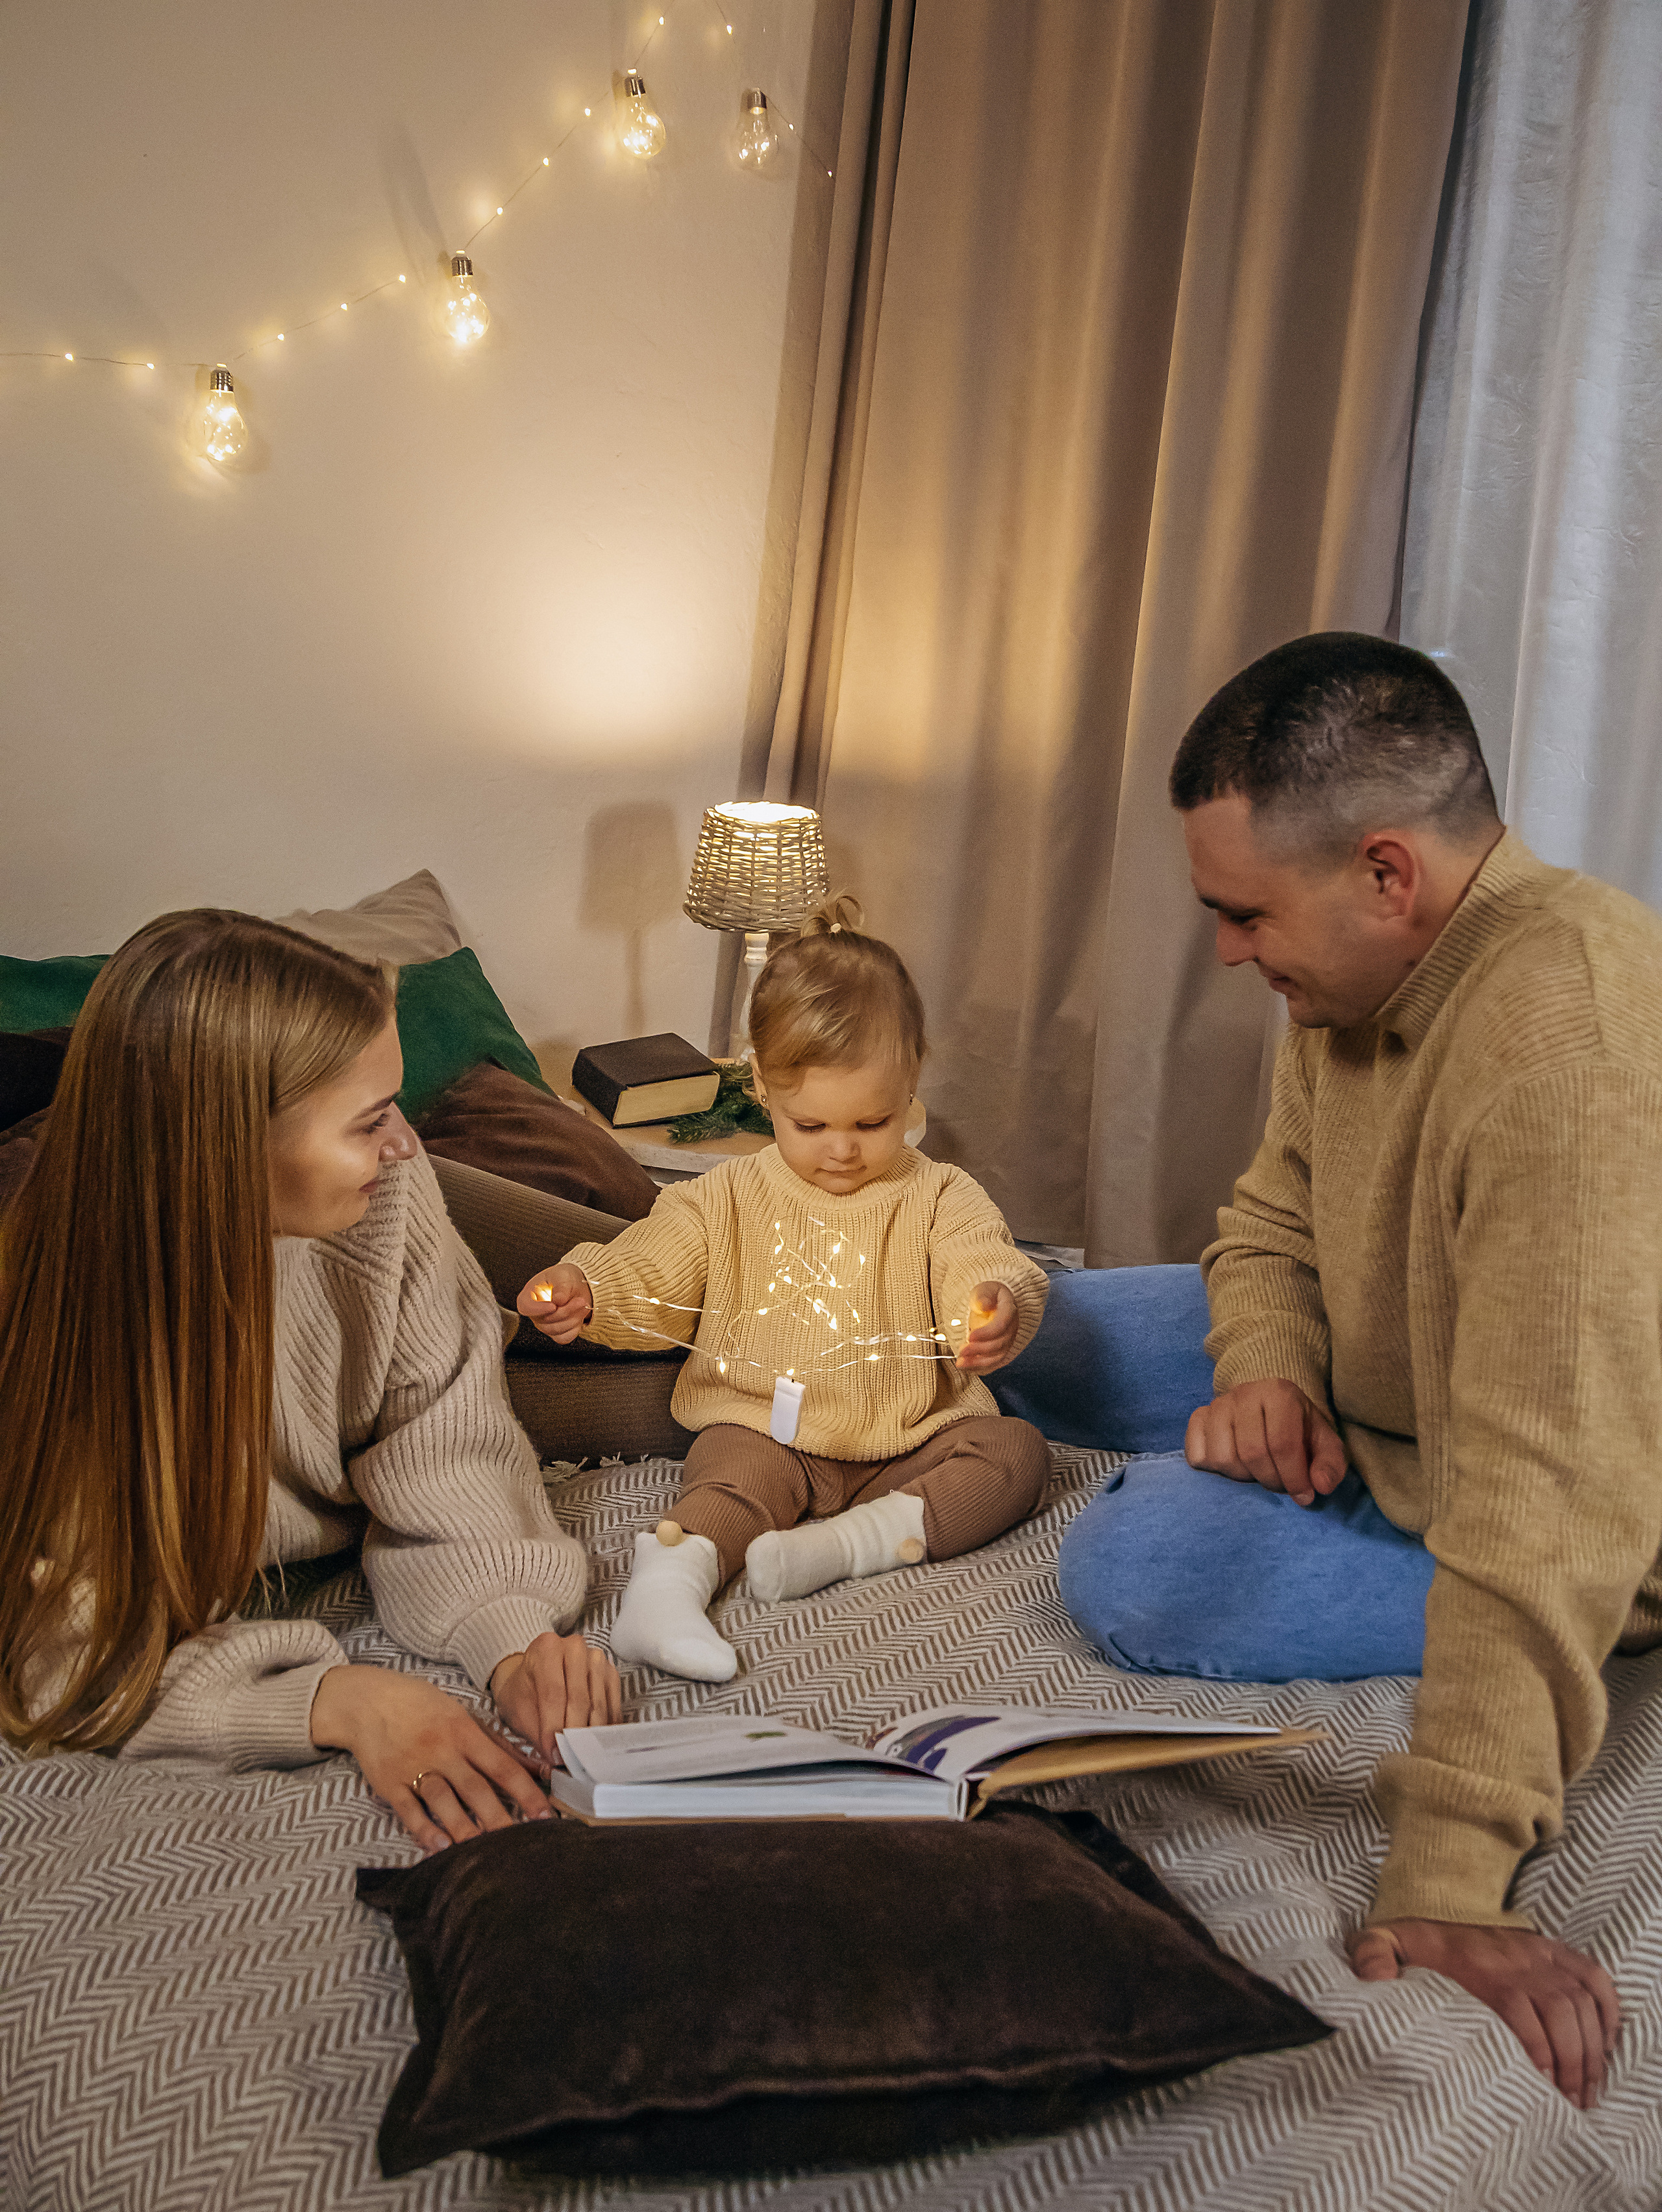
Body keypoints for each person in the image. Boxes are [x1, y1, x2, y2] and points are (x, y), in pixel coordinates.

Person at [1035, 633, 1661, 2108]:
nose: (1226, 951)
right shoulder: (1354, 981)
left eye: (1242, 913)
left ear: (1386, 871)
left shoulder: (1564, 1050)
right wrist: (1263, 1366)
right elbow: (1264, 1221)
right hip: (1377, 1393)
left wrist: (1449, 1873)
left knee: (1137, 1569)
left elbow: (1550, 1484)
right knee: (1038, 1316)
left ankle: (1216, 1482)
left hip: (1565, 1504)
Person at [0, 911, 619, 1856]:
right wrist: (335, 1697)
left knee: (674, 1315)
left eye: (395, 1104)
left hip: (414, 1240)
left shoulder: (395, 1181)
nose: (405, 1140)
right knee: (643, 1386)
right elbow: (53, 1650)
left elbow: (445, 1435)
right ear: (230, 1145)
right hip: (279, 1274)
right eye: (371, 1117)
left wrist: (506, 1632)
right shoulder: (53, 1324)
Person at [519, 899, 1052, 1683]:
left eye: (873, 1123)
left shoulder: (939, 1192)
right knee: (728, 1474)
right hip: (766, 1430)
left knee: (1016, 1453)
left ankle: (842, 1546)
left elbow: (982, 1260)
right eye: (810, 1126)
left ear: (911, 1087)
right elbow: (653, 1265)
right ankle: (665, 1589)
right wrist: (588, 1285)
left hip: (904, 1438)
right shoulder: (726, 1195)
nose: (842, 1150)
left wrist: (991, 1303)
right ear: (764, 1091)